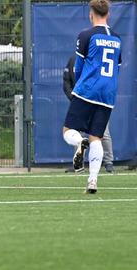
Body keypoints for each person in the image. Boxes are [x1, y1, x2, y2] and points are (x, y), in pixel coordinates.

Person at [62, 0, 121, 194]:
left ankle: (80, 142)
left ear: (91, 13)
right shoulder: (117, 38)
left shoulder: (86, 35)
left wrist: (81, 87)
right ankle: (93, 181)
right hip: (108, 94)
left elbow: (78, 67)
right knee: (97, 136)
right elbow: (117, 69)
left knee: (68, 130)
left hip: (87, 90)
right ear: (108, 14)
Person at [63, 55, 114, 173]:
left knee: (103, 132)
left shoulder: (97, 60)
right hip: (79, 103)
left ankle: (108, 162)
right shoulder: (73, 60)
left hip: (97, 102)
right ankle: (78, 164)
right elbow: (66, 81)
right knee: (76, 133)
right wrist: (75, 99)